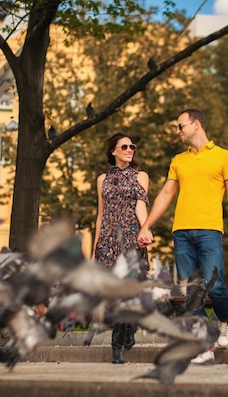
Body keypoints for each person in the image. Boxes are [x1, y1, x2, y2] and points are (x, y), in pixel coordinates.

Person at [137, 108, 228, 365]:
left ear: (196, 124)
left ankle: (226, 320)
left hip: (210, 231)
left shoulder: (224, 156)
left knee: (215, 285)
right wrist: (146, 226)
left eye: (181, 126)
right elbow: (166, 195)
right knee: (193, 292)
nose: (178, 131)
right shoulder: (179, 160)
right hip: (181, 233)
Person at [92, 132, 150, 365]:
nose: (129, 149)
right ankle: (125, 332)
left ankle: (117, 345)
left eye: (132, 146)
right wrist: (95, 247)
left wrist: (145, 229)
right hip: (107, 240)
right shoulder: (102, 180)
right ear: (113, 151)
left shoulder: (141, 176)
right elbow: (100, 215)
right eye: (124, 146)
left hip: (130, 238)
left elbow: (141, 208)